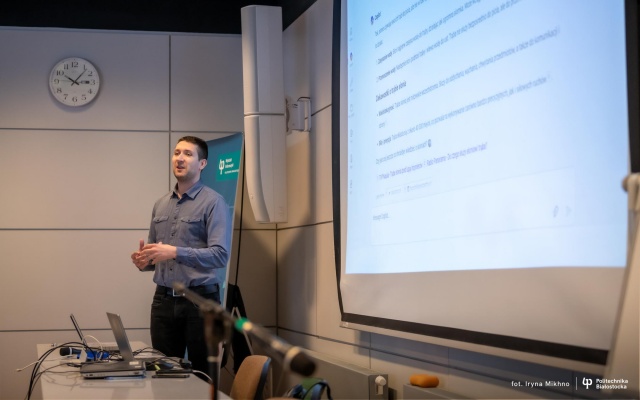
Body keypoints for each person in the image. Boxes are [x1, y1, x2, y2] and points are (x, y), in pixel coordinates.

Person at [131, 135, 231, 376]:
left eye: (188, 154)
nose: (180, 158)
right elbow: (157, 256)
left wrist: (174, 251)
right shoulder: (160, 204)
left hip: (200, 301)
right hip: (163, 301)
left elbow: (220, 255)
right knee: (163, 373)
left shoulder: (214, 202)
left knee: (203, 375)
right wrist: (145, 261)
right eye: (176, 153)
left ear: (202, 164)